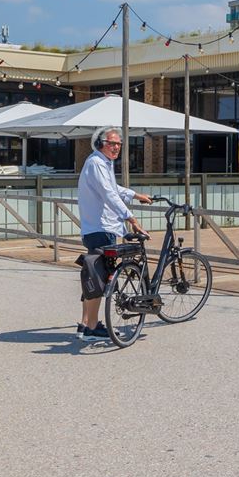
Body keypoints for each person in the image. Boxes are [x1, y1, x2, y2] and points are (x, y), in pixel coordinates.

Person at [76, 127, 150, 341]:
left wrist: (135, 195)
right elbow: (109, 194)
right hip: (101, 229)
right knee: (100, 279)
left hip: (98, 228)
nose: (116, 147)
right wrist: (131, 219)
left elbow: (113, 188)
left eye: (119, 144)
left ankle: (84, 324)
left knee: (93, 274)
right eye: (112, 143)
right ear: (100, 143)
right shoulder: (97, 163)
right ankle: (92, 327)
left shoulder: (101, 163)